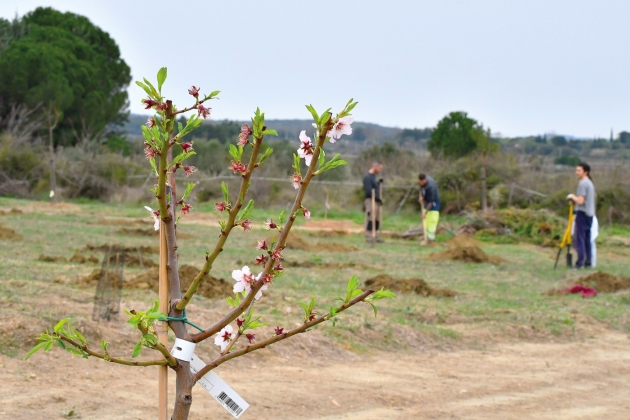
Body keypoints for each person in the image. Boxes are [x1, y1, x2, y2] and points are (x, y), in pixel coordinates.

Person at [567, 162, 596, 269]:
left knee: (579, 239)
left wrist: (572, 196)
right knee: (586, 239)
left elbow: (580, 201)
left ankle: (579, 263)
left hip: (583, 214)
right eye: (576, 170)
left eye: (579, 170)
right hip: (590, 214)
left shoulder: (583, 184)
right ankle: (588, 262)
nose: (577, 173)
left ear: (586, 172)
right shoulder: (590, 183)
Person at [363, 161, 383, 242]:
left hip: (376, 200)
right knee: (370, 218)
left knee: (376, 219)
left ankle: (375, 236)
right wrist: (376, 198)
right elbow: (369, 191)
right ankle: (369, 237)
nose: (380, 170)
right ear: (375, 166)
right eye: (379, 168)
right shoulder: (367, 177)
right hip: (370, 200)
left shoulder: (374, 177)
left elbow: (375, 187)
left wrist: (378, 183)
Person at [418, 173, 440, 242]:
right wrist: (421, 197)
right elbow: (422, 190)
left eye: (422, 182)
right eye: (420, 182)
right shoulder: (422, 183)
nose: (421, 183)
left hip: (434, 203)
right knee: (426, 221)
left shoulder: (431, 187)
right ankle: (426, 237)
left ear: (425, 180)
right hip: (428, 201)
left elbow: (431, 202)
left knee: (432, 220)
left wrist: (426, 212)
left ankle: (431, 239)